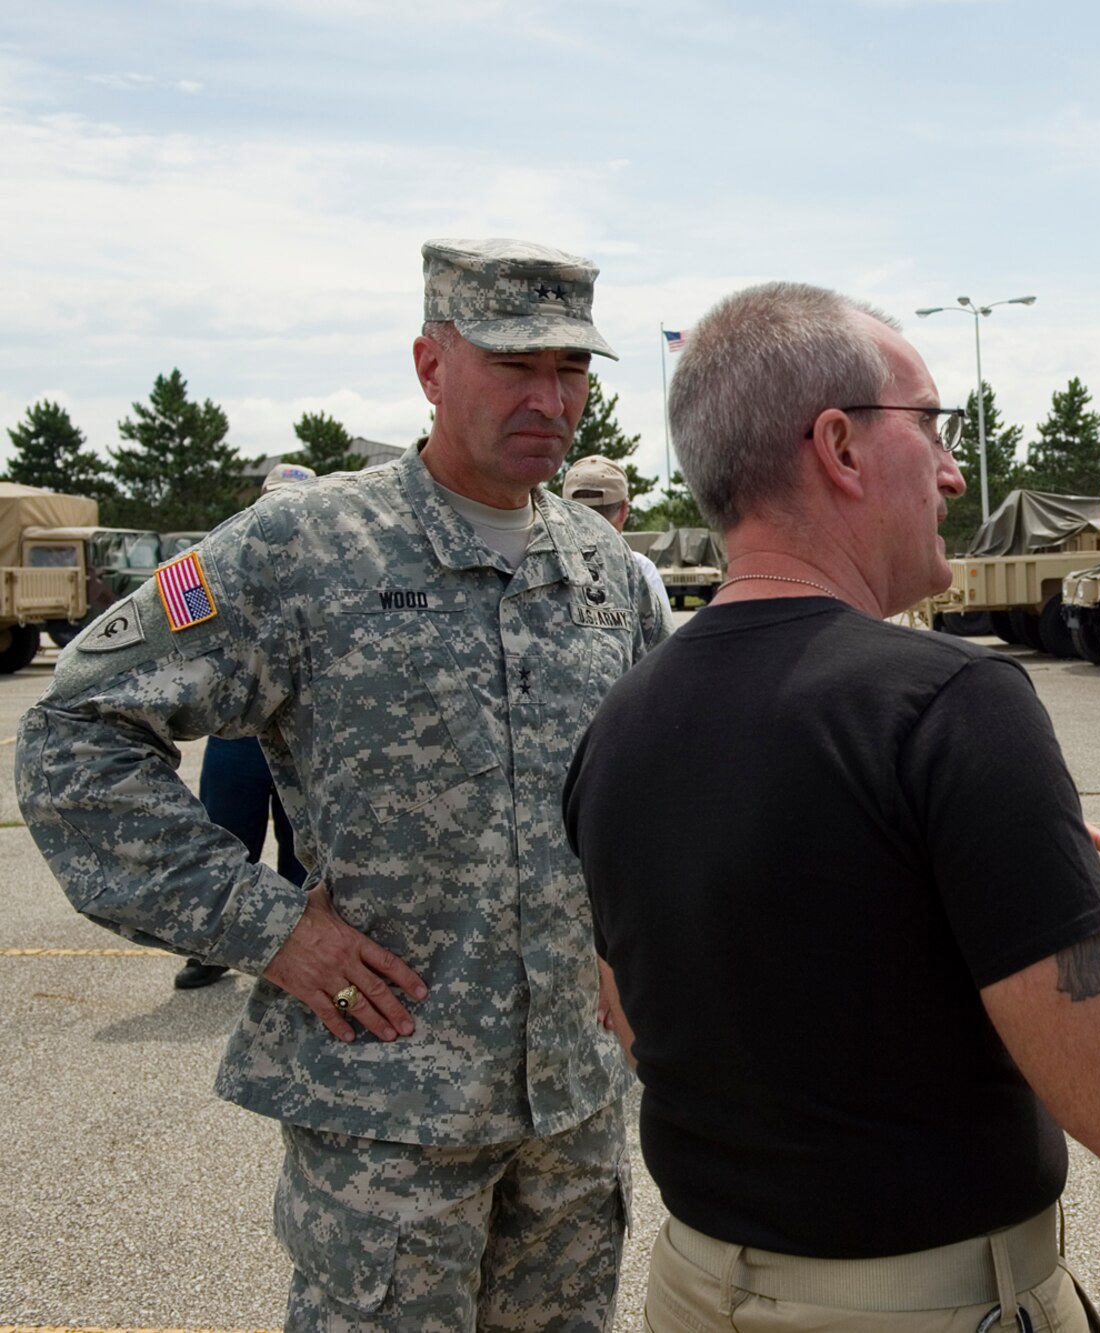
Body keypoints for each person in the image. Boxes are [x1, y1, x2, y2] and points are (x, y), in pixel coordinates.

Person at [564, 279, 1100, 1333]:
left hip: (696, 1289)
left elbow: (628, 1014)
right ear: (839, 447)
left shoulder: (623, 717)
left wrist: (952, 846)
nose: (950, 471)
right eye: (931, 429)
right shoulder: (949, 702)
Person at [18, 237, 668, 1331]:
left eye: (571, 371)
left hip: (572, 1109)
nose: (549, 399)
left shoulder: (603, 571)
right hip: (388, 1114)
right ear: (431, 364)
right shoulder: (301, 548)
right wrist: (265, 927)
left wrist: (637, 954)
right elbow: (73, 735)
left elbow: (651, 793)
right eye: (516, 366)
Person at [174, 462, 318, 992]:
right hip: (238, 740)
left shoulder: (335, 568)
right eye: (272, 503)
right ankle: (209, 950)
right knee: (226, 837)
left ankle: (302, 955)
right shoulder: (214, 562)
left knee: (304, 851)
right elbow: (184, 632)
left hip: (304, 740)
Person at [562, 452, 671, 622]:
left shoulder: (540, 567)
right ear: (624, 510)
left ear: (562, 510)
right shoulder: (639, 570)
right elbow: (663, 642)